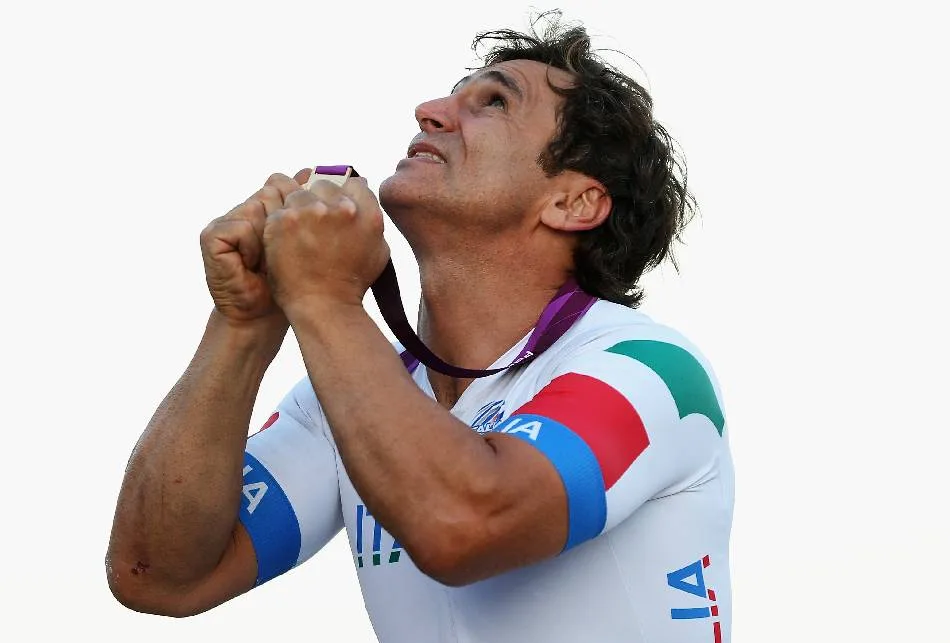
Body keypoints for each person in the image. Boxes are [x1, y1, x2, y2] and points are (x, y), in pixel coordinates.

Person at [106, 12, 734, 643]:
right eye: (448, 96)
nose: (427, 111)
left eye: (492, 102)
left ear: (573, 202)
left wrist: (323, 297)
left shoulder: (651, 367)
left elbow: (464, 526)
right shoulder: (341, 398)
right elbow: (157, 576)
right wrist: (243, 324)